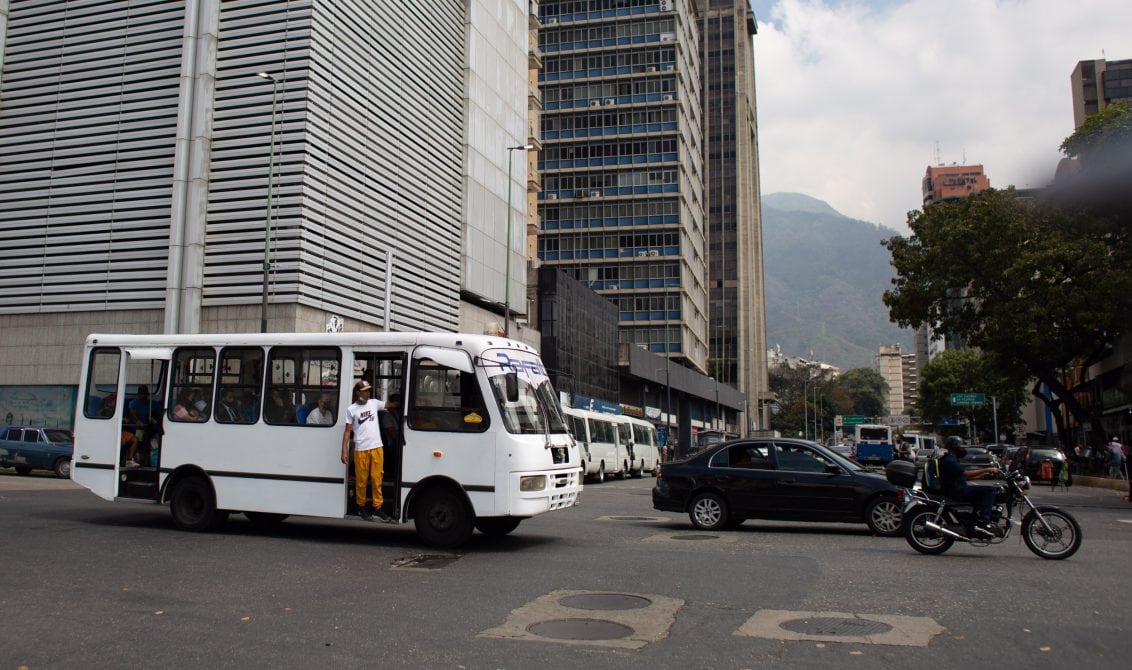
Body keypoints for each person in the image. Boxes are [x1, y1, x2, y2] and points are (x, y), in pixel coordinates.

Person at [341, 380, 391, 522]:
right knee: (361, 480)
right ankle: (361, 506)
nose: (368, 393)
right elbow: (347, 431)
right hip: (360, 449)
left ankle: (377, 506)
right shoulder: (351, 409)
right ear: (358, 393)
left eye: (368, 390)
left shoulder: (374, 403)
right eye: (365, 390)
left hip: (376, 447)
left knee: (377, 478)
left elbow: (389, 404)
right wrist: (344, 451)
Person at [938, 436, 1001, 537]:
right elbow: (966, 474)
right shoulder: (949, 460)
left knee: (982, 492)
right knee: (990, 490)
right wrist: (987, 469)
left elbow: (962, 478)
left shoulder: (951, 459)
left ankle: (973, 522)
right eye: (961, 447)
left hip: (957, 488)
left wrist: (985, 475)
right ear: (955, 447)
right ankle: (983, 523)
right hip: (957, 491)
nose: (963, 449)